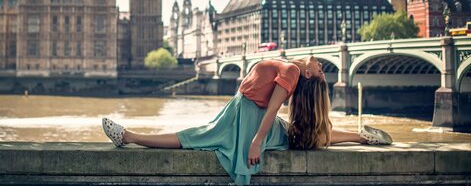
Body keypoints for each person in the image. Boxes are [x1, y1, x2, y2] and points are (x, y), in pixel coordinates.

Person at [102, 56, 392, 185]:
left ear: (308, 75)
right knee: (305, 134)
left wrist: (255, 143)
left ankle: (128, 136)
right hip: (240, 112)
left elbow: (272, 108)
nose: (319, 65)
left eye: (320, 70)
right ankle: (364, 137)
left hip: (252, 119)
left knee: (190, 138)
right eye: (322, 67)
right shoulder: (290, 66)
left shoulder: (292, 72)